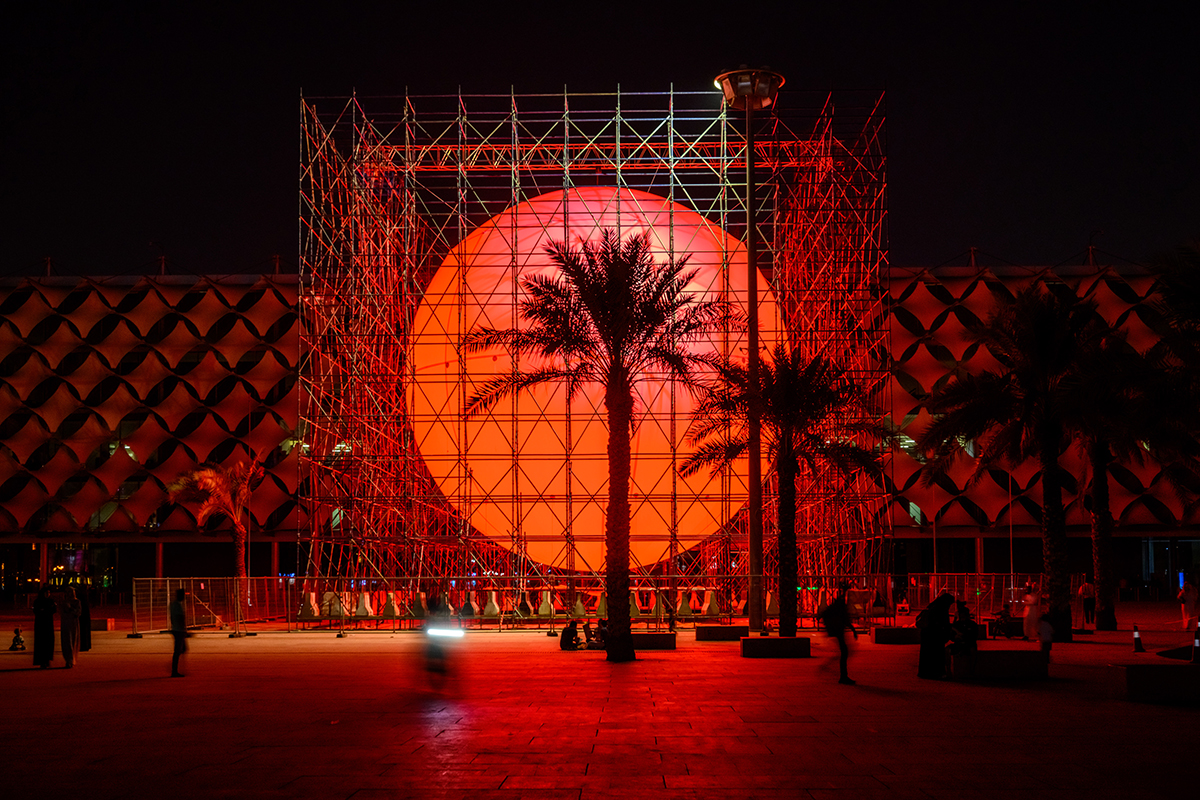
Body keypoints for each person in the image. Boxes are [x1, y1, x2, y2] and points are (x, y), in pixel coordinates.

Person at [819, 582, 858, 685]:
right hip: (839, 628)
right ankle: (843, 676)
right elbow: (845, 617)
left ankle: (843, 675)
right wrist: (853, 630)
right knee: (844, 652)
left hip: (838, 628)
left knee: (843, 652)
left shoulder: (839, 602)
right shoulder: (841, 603)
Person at [916, 593, 955, 679]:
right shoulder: (942, 609)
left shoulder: (933, 606)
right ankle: (937, 672)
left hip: (927, 634)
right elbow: (943, 623)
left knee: (926, 654)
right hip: (936, 635)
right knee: (937, 654)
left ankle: (925, 672)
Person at [945, 602, 979, 678]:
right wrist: (955, 637)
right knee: (947, 650)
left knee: (973, 651)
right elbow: (951, 636)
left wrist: (964, 636)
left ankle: (972, 670)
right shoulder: (957, 624)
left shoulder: (972, 624)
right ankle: (948, 670)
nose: (962, 616)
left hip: (969, 644)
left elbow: (974, 636)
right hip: (958, 643)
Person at [33, 585, 56, 668]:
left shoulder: (50, 601)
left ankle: (47, 660)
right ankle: (42, 660)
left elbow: (54, 610)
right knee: (41, 642)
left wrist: (45, 610)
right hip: (41, 624)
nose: (48, 594)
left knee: (48, 641)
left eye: (49, 592)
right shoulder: (38, 601)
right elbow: (37, 611)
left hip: (48, 624)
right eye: (46, 592)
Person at [60, 587, 81, 668]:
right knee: (66, 641)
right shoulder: (64, 602)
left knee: (73, 640)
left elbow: (78, 612)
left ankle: (71, 659)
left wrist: (70, 609)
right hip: (65, 623)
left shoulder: (77, 601)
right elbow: (62, 613)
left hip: (73, 623)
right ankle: (68, 659)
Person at [170, 588, 188, 677]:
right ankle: (174, 670)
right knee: (178, 650)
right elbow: (180, 618)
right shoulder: (178, 605)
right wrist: (184, 629)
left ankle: (174, 667)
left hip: (176, 629)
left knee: (182, 649)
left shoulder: (173, 604)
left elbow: (172, 618)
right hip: (179, 630)